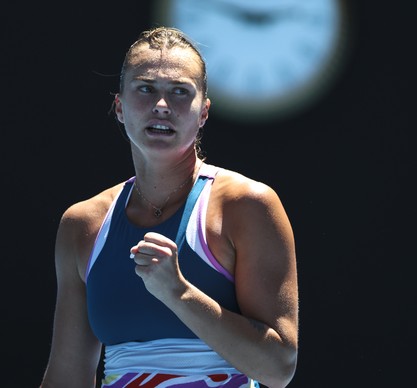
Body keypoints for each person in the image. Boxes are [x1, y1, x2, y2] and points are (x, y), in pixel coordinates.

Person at [39, 26, 299, 388]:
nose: (162, 105)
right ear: (119, 106)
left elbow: (277, 368)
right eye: (146, 89)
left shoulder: (248, 205)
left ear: (203, 112)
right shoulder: (82, 224)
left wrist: (178, 292)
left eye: (180, 92)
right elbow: (67, 379)